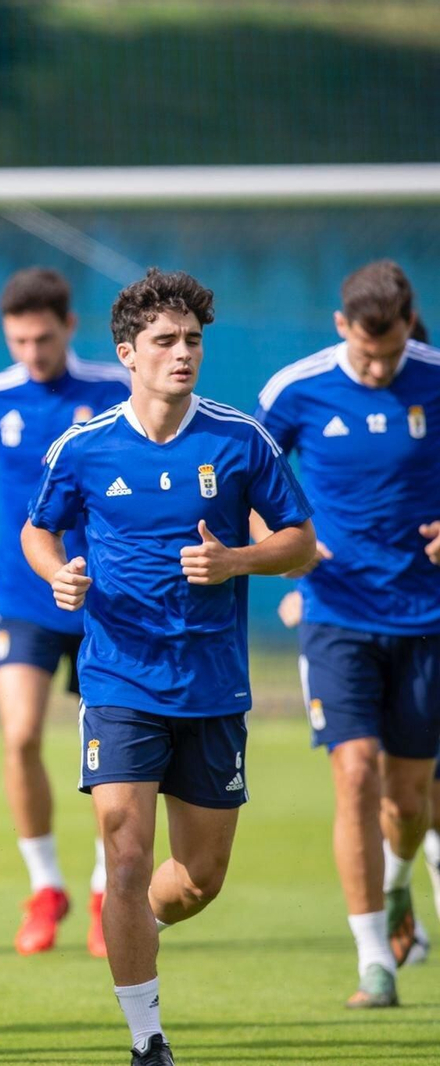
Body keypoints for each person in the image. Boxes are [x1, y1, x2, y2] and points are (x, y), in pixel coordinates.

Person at [22, 267, 315, 1065]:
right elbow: (38, 529)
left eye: (192, 340)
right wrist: (57, 573)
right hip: (118, 679)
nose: (183, 353)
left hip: (213, 686)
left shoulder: (239, 439)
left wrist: (237, 560)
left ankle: (134, 925)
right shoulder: (84, 447)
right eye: (165, 341)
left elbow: (301, 543)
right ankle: (146, 1039)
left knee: (199, 878)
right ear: (128, 353)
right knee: (125, 853)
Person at [252, 260, 440, 1008]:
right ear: (341, 327)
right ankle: (373, 963)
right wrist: (281, 548)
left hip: (426, 619)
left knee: (411, 802)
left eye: (390, 353)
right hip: (335, 614)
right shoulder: (293, 389)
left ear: (408, 327)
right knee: (356, 772)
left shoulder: (434, 376)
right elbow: (245, 479)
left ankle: (396, 885)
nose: (378, 367)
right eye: (366, 352)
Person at [0, 267, 128, 956]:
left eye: (43, 338)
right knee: (19, 737)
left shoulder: (113, 390)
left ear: (69, 327)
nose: (32, 352)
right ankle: (46, 888)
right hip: (22, 595)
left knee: (111, 754)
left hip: (105, 597)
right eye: (19, 340)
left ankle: (107, 889)